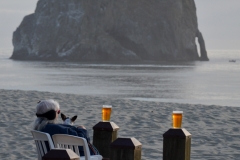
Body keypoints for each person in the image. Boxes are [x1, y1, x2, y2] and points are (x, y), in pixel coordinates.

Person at [31, 99, 99, 156]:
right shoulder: (56, 130)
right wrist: (82, 130)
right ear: (52, 114)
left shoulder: (39, 128)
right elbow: (82, 143)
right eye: (58, 112)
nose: (58, 114)